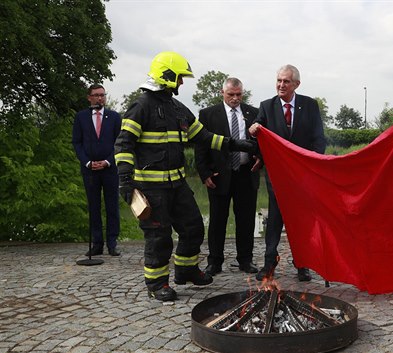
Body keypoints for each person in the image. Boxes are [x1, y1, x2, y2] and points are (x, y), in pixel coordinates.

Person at [114, 51, 255, 302]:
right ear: (167, 75)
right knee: (159, 237)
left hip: (177, 185)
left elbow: (205, 137)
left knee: (193, 228)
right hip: (151, 188)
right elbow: (124, 144)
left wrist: (237, 145)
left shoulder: (178, 109)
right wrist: (126, 181)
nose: (181, 83)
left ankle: (186, 270)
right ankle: (157, 283)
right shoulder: (141, 107)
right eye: (179, 78)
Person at [249, 64, 326, 282]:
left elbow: (318, 139)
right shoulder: (266, 106)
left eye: (286, 81)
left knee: (302, 222)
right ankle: (269, 265)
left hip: (303, 177)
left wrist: (312, 164)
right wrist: (253, 130)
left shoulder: (310, 105)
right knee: (274, 220)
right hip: (277, 177)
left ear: (296, 84)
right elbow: (257, 132)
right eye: (279, 81)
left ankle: (303, 265)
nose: (281, 85)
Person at [195, 77, 261, 276]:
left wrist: (261, 158)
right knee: (217, 221)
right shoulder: (207, 114)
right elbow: (200, 145)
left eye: (239, 94)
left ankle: (245, 260)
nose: (235, 98)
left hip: (246, 174)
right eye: (231, 94)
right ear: (222, 93)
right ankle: (214, 261)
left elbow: (262, 142)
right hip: (218, 176)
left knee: (247, 220)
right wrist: (204, 173)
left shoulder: (253, 113)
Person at [72, 84, 122, 257]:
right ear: (89, 97)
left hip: (109, 169)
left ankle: (112, 243)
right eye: (96, 95)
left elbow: (120, 143)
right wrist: (87, 162)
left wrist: (109, 161)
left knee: (112, 206)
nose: (100, 98)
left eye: (102, 95)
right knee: (94, 206)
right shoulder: (81, 117)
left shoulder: (114, 117)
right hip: (90, 170)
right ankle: (97, 243)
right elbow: (77, 142)